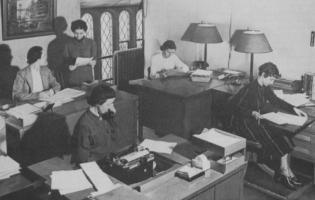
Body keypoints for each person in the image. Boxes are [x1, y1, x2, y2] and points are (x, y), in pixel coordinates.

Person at [228, 62, 307, 189]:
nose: (272, 83)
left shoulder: (264, 87)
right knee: (273, 136)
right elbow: (233, 107)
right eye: (271, 79)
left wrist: (293, 109)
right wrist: (251, 112)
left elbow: (275, 100)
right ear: (263, 75)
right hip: (243, 123)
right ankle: (285, 172)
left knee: (281, 135)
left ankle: (285, 169)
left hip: (256, 121)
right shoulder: (249, 89)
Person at [71, 84, 117, 164]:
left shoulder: (104, 115)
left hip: (106, 159)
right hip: (93, 164)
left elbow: (113, 137)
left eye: (112, 103)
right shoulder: (85, 125)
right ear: (97, 104)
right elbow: (83, 157)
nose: (113, 108)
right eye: (108, 104)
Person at [63, 19, 97, 87]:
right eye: (76, 33)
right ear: (73, 31)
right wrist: (68, 67)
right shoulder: (68, 44)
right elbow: (64, 61)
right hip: (73, 78)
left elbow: (94, 58)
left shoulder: (91, 43)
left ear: (85, 32)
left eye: (81, 33)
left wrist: (93, 62)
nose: (78, 36)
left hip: (88, 78)